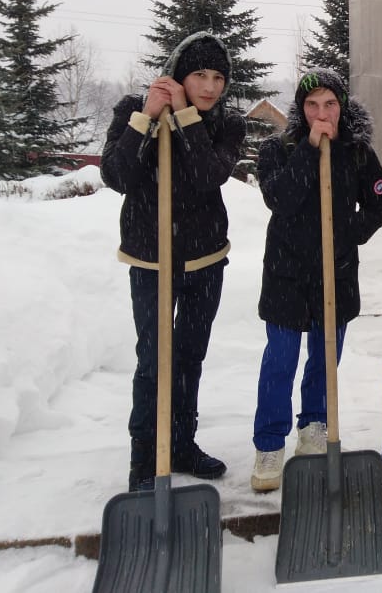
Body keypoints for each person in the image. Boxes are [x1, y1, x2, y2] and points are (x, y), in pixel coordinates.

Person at [101, 30, 246, 492]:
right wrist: (147, 118)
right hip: (151, 262)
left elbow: (207, 175)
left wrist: (185, 116)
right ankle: (144, 457)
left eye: (218, 77)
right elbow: (118, 176)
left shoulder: (226, 124)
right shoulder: (133, 109)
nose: (210, 86)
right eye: (199, 75)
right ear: (179, 74)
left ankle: (181, 443)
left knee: (188, 357)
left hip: (205, 260)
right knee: (153, 360)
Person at [250, 69, 382, 492]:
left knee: (325, 358)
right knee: (280, 360)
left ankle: (314, 423)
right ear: (301, 108)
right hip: (287, 272)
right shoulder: (278, 149)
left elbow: (379, 203)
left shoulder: (357, 151)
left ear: (342, 106)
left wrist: (346, 235)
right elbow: (280, 199)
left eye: (330, 104)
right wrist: (310, 150)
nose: (322, 113)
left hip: (336, 271)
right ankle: (269, 442)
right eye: (312, 105)